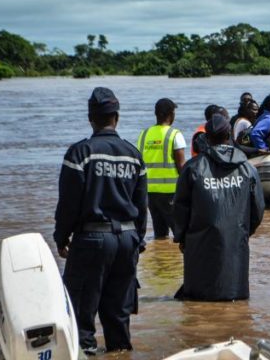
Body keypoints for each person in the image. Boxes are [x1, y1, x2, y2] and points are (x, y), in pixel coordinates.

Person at [54, 87, 147, 354]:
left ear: (90, 118)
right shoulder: (133, 154)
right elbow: (142, 206)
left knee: (81, 316)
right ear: (116, 117)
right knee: (119, 317)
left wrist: (61, 237)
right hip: (127, 240)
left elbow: (68, 203)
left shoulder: (80, 153)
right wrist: (138, 241)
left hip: (92, 240)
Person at [173, 114, 265, 301]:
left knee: (198, 301)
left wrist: (181, 238)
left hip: (199, 243)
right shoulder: (248, 169)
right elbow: (258, 208)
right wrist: (244, 231)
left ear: (206, 138)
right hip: (236, 240)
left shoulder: (192, 168)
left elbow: (180, 208)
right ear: (229, 135)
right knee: (234, 298)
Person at [137, 98, 186, 239]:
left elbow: (139, 164)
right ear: (171, 114)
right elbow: (182, 166)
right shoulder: (175, 134)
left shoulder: (144, 135)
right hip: (170, 192)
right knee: (180, 234)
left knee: (160, 236)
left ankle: (161, 258)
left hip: (150, 192)